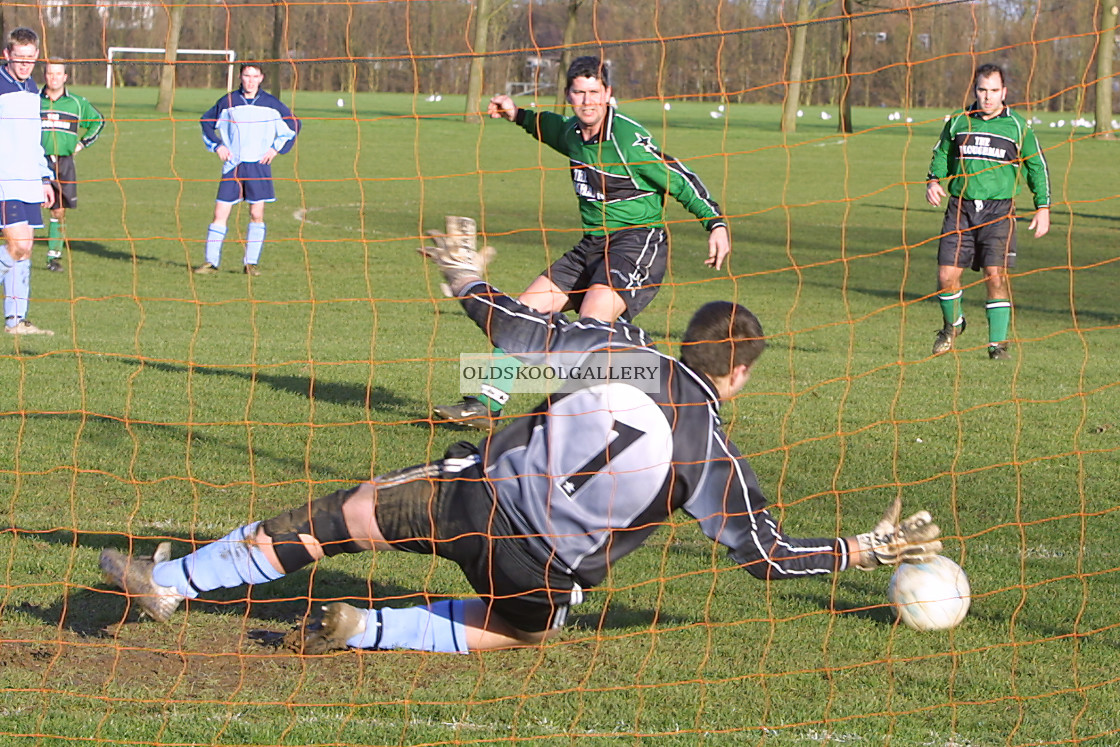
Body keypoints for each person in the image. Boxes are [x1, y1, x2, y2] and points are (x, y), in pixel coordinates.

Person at [99, 218, 942, 654]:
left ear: (689, 342)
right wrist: (865, 548)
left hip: (471, 497)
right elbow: (765, 555)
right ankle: (371, 632)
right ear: (741, 374)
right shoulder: (707, 453)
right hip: (539, 571)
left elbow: (513, 337)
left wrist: (463, 274)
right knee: (518, 632)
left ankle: (173, 581)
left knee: (335, 519)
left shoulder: (627, 356)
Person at [432, 55, 732, 429]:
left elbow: (681, 179)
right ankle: (485, 406)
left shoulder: (627, 140)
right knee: (523, 311)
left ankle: (637, 405)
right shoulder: (573, 133)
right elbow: (547, 126)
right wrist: (514, 113)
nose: (587, 100)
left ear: (608, 94)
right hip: (591, 245)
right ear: (569, 96)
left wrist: (715, 224)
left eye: (595, 92)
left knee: (592, 320)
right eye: (579, 92)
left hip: (637, 244)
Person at [926, 63, 1050, 360]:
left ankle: (997, 346)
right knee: (946, 276)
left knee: (996, 276)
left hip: (999, 212)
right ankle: (953, 325)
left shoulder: (1018, 126)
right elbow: (942, 153)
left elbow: (1037, 167)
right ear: (975, 90)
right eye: (982, 89)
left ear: (1004, 92)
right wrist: (933, 180)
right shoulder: (958, 121)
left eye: (994, 90)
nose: (988, 96)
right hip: (960, 209)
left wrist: (1042, 207)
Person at [194, 63, 300, 276]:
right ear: (240, 77)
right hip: (233, 166)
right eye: (246, 76)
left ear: (261, 78)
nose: (250, 80)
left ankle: (250, 263)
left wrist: (275, 149)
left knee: (256, 213)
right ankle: (211, 261)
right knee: (220, 212)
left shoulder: (271, 104)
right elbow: (206, 121)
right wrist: (218, 145)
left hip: (258, 167)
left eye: (255, 76)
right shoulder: (228, 101)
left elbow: (294, 126)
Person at [0, 27, 54, 336]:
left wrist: (44, 176)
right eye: (19, 58)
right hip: (5, 179)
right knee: (16, 245)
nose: (24, 65)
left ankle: (16, 321)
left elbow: (35, 139)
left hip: (30, 179)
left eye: (31, 59)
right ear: (7, 54)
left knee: (26, 250)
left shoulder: (33, 88)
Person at [39, 59, 105, 273]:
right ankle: (17, 249)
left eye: (58, 74)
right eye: (50, 73)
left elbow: (98, 121)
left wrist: (82, 143)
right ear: (45, 75)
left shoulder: (77, 103)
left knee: (58, 211)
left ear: (65, 77)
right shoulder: (34, 101)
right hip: (36, 161)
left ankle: (53, 257)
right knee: (24, 207)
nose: (54, 77)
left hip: (64, 162)